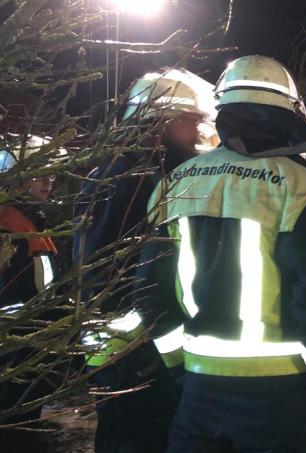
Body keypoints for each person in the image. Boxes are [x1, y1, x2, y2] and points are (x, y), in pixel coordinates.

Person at [134, 55, 306, 453]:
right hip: (282, 396)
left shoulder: (174, 184)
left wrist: (181, 370)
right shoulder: (302, 189)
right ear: (289, 111)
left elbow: (151, 295)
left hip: (198, 395)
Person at [73, 68, 217, 453]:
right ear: (160, 123)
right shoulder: (141, 180)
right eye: (189, 123)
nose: (197, 134)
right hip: (137, 354)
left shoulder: (108, 173)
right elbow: (127, 275)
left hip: (117, 352)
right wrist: (157, 356)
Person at [0, 135, 61, 450]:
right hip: (19, 337)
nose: (47, 181)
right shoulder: (10, 225)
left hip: (31, 331)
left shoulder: (30, 219)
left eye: (50, 174)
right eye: (39, 174)